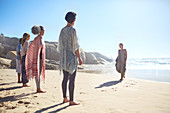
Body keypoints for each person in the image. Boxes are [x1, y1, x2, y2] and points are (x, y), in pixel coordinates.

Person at [58, 12, 83, 106]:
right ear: (74, 19)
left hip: (64, 57)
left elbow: (60, 46)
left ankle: (65, 98)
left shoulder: (62, 30)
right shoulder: (73, 30)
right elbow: (75, 46)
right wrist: (79, 58)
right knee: (72, 79)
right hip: (72, 58)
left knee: (65, 78)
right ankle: (71, 100)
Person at [25, 25, 46, 93]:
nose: (44, 32)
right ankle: (38, 88)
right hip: (38, 58)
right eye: (44, 31)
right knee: (38, 73)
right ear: (41, 31)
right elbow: (39, 47)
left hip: (36, 58)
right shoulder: (40, 38)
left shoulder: (36, 38)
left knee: (37, 73)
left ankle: (38, 87)